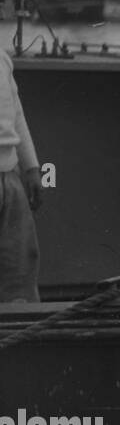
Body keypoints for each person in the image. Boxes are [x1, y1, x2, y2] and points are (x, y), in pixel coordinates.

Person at [0, 47, 41, 302]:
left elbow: (16, 113)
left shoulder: (2, 58)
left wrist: (31, 167)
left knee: (20, 264)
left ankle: (20, 330)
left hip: (11, 182)